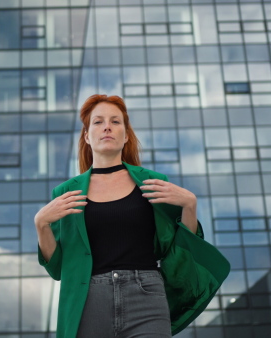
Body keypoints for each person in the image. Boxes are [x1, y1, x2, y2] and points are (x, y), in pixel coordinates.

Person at [35, 94, 230, 337]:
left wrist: (189, 206)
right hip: (88, 301)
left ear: (126, 135)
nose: (107, 126)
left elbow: (176, 252)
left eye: (115, 121)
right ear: (86, 136)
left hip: (146, 298)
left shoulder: (153, 184)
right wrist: (41, 224)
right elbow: (58, 268)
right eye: (98, 122)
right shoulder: (66, 193)